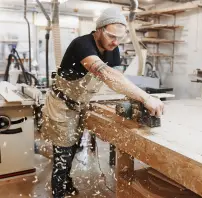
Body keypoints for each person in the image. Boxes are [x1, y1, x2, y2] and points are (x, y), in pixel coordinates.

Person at [40, 7, 164, 198]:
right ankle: (58, 191)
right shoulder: (82, 45)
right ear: (98, 30)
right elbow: (106, 75)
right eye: (111, 36)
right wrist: (145, 97)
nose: (115, 43)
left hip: (81, 104)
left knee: (73, 148)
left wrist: (131, 98)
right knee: (62, 153)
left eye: (120, 39)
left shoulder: (112, 49)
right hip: (62, 105)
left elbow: (114, 81)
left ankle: (66, 182)